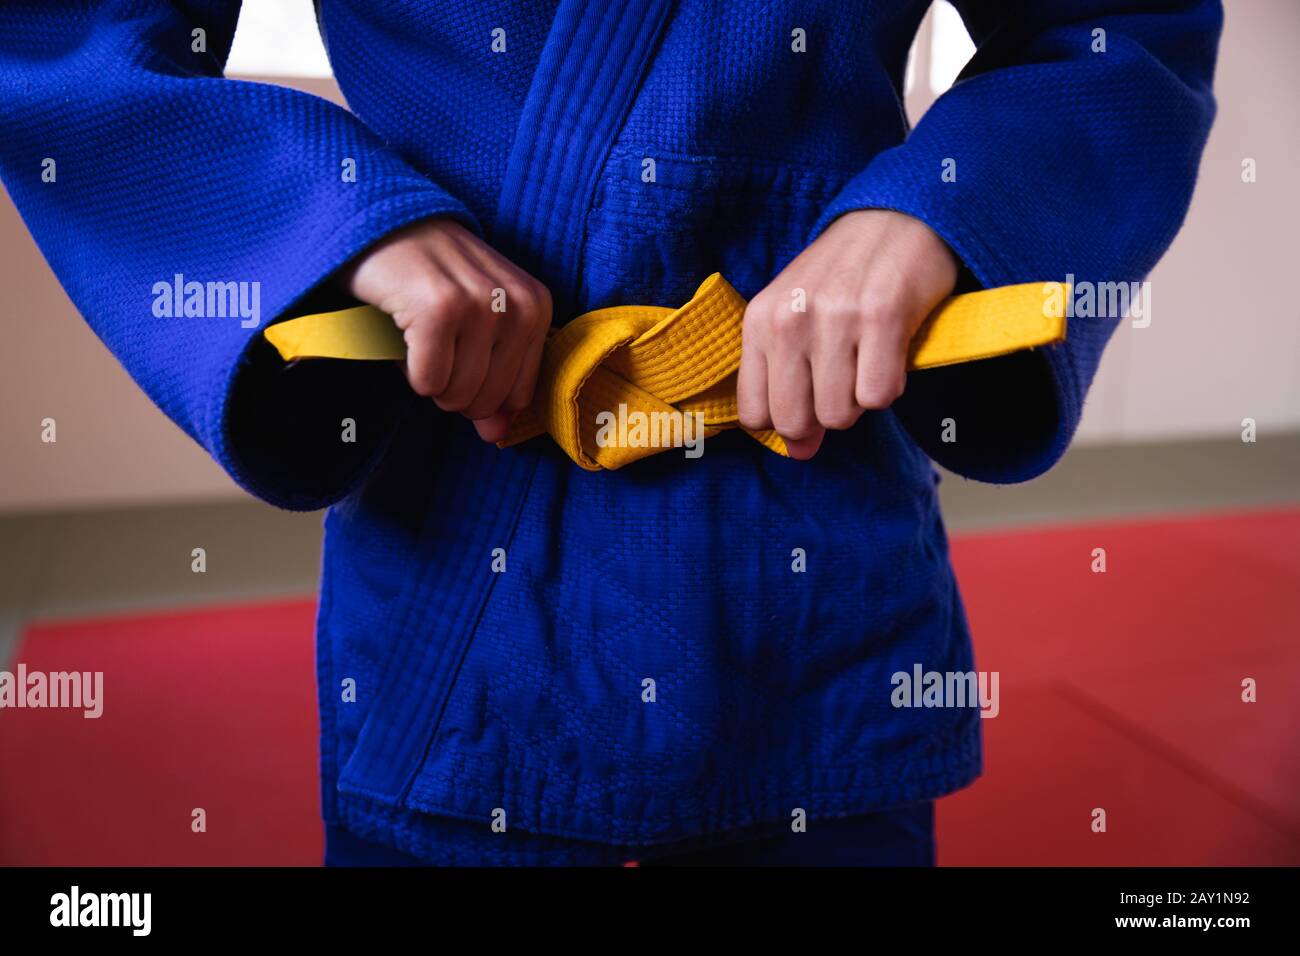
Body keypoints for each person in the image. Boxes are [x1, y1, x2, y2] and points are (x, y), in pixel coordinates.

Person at [0, 1, 1222, 865]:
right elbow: (65, 43)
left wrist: (939, 210)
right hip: (461, 570)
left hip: (811, 542)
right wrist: (335, 219)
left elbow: (1116, 27)